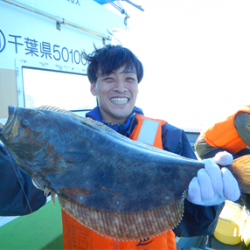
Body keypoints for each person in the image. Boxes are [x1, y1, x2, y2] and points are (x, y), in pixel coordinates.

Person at [0, 45, 241, 250]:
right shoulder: (65, 138)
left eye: (129, 78)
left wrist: (207, 205)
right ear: (93, 87)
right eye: (108, 78)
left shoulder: (169, 137)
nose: (120, 87)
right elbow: (21, 197)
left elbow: (192, 224)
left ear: (137, 86)